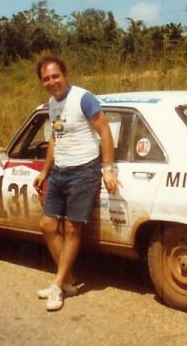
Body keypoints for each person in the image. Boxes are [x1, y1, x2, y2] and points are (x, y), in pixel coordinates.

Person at [32, 56, 119, 312]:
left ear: (65, 74)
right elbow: (54, 139)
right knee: (47, 225)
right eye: (46, 78)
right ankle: (68, 280)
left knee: (72, 230)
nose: (51, 82)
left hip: (84, 170)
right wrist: (45, 171)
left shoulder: (83, 98)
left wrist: (108, 169)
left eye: (55, 76)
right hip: (59, 170)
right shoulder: (52, 103)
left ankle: (57, 285)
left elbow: (104, 131)